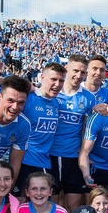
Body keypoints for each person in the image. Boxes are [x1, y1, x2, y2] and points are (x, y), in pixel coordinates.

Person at [50, 54, 97, 211]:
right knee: (53, 205)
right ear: (66, 69)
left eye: (83, 72)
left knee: (74, 206)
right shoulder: (52, 92)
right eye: (75, 70)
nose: (79, 76)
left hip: (73, 157)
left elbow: (87, 128)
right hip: (50, 155)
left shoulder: (89, 98)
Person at [15, 62, 65, 197]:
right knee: (20, 203)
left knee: (48, 203)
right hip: (24, 160)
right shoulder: (28, 98)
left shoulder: (56, 103)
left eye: (61, 80)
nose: (57, 84)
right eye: (53, 79)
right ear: (42, 77)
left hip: (44, 161)